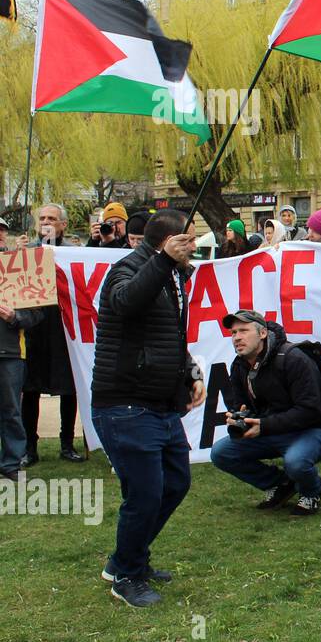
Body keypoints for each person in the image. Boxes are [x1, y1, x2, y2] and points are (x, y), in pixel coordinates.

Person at [92, 209, 205, 607]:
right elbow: (126, 303)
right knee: (145, 494)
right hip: (124, 404)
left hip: (157, 405)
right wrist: (161, 261)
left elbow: (167, 339)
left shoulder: (173, 276)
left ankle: (128, 559)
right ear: (167, 242)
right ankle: (126, 575)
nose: (195, 247)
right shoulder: (129, 270)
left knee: (175, 483)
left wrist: (191, 372)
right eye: (187, 240)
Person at [208, 310, 321, 515]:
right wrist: (237, 418)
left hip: (313, 428)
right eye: (233, 333)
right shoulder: (239, 365)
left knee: (295, 462)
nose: (237, 337)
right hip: (272, 429)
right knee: (220, 452)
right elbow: (241, 405)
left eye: (243, 330)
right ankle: (280, 484)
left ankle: (311, 492)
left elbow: (309, 410)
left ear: (262, 334)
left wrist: (264, 426)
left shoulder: (294, 358)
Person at [22, 203, 82, 465]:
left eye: (52, 218)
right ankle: (29, 447)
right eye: (42, 218)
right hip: (34, 328)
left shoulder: (72, 252)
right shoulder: (27, 251)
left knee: (69, 388)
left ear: (63, 224)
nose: (46, 222)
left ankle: (67, 443)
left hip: (64, 327)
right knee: (31, 387)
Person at [0, 298, 41, 483]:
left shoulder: (21, 274)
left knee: (11, 410)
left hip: (11, 353)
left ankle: (11, 464)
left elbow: (37, 313)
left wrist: (15, 317)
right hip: (11, 354)